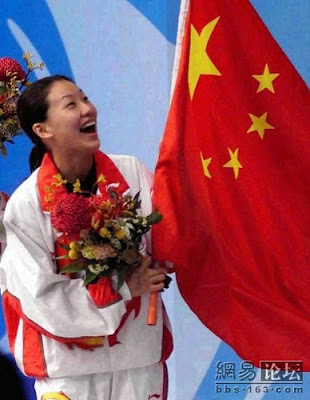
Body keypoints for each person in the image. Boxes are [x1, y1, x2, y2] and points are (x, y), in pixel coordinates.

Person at [0, 75, 173, 400]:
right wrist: (125, 287)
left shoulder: (131, 173)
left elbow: (170, 238)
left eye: (85, 99)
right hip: (69, 374)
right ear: (43, 130)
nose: (87, 109)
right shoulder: (26, 206)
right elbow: (42, 302)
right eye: (71, 104)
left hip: (137, 364)